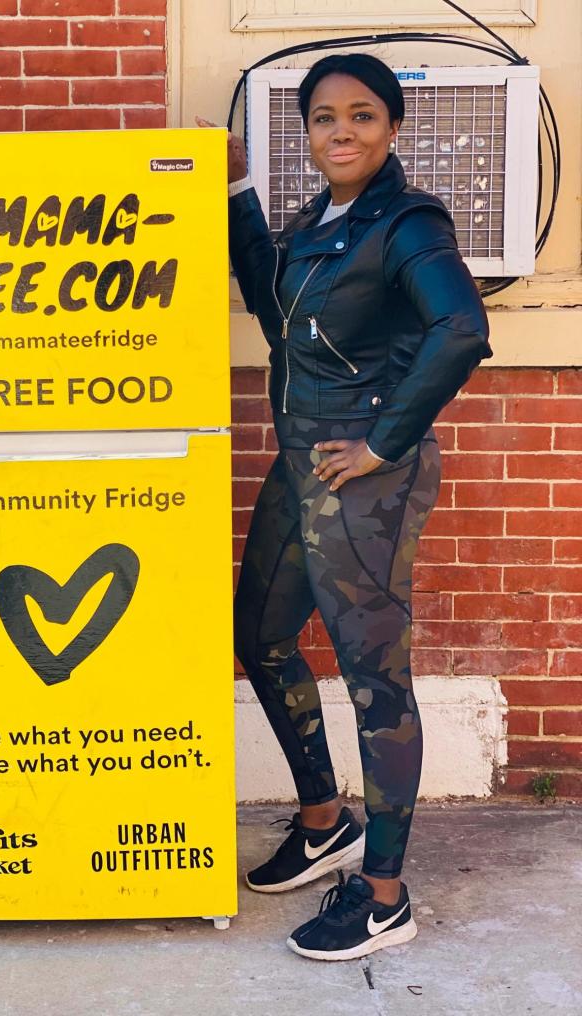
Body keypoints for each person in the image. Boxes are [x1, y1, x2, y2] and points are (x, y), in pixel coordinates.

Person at [199, 52, 493, 961]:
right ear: (309, 134)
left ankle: (383, 897)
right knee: (260, 634)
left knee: (376, 681)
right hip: (300, 467)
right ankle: (327, 821)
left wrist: (383, 444)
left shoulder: (405, 223)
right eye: (325, 118)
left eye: (363, 116)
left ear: (392, 128)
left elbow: (461, 328)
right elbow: (272, 307)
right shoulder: (320, 220)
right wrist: (241, 192)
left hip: (363, 476)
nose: (343, 132)